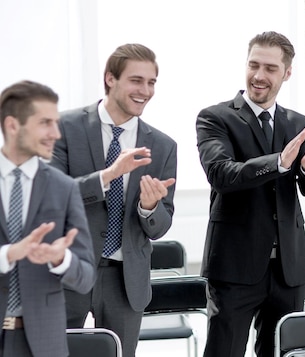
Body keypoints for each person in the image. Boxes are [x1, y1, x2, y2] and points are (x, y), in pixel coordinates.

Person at [196, 31, 305, 357]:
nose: (259, 75)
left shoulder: (298, 123)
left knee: (282, 353)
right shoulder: (216, 118)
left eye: (270, 68)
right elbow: (221, 175)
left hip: (288, 269)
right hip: (235, 267)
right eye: (253, 65)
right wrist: (279, 163)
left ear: (286, 73)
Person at [50, 43, 177, 357]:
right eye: (136, 80)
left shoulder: (163, 146)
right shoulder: (65, 128)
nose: (145, 91)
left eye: (151, 82)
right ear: (110, 78)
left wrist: (149, 208)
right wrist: (108, 176)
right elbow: (52, 198)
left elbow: (160, 227)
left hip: (125, 281)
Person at [0, 80, 96, 357]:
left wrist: (60, 259)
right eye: (45, 123)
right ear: (13, 125)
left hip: (43, 344)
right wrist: (9, 254)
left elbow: (86, 277)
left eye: (56, 122)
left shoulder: (64, 187)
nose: (56, 132)